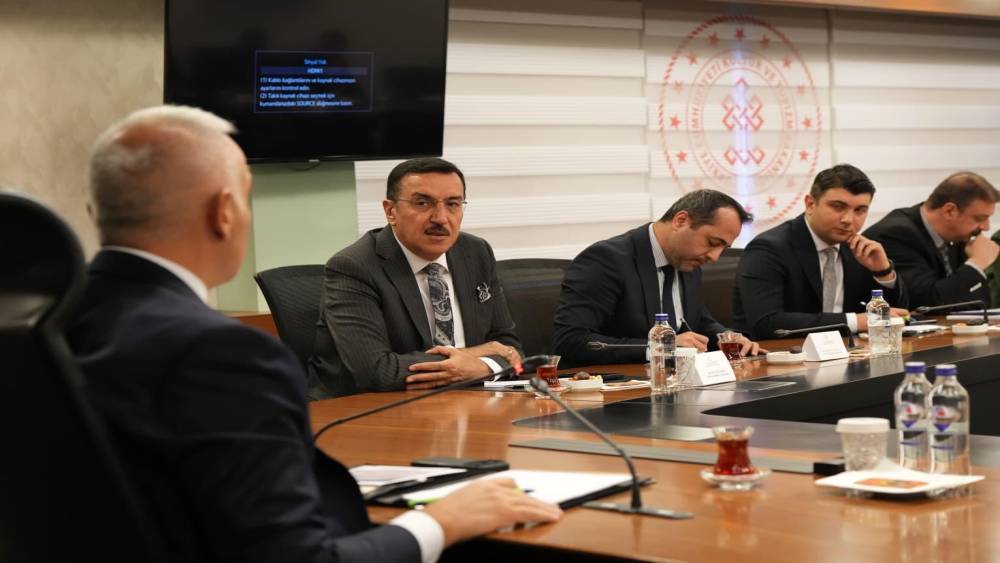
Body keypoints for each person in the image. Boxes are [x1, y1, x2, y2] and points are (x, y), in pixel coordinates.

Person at [67, 106, 561, 563]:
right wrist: (440, 522)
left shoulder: (61, 324)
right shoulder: (223, 355)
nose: (442, 216)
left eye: (454, 203)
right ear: (224, 212)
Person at [308, 158, 522, 398]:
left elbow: (511, 349)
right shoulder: (354, 267)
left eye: (453, 204)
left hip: (464, 401)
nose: (441, 218)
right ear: (391, 211)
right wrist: (474, 356)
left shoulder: (475, 252)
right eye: (423, 203)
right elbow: (377, 371)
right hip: (369, 409)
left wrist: (483, 367)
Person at [553, 189, 765, 367]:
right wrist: (661, 348)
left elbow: (696, 320)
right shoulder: (606, 260)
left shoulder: (687, 259)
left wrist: (728, 337)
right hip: (617, 389)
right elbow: (571, 341)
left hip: (677, 381)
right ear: (680, 221)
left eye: (723, 248)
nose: (715, 257)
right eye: (712, 242)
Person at [733, 164, 909, 340]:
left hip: (850, 350)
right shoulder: (769, 249)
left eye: (859, 210)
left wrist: (883, 272)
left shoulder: (858, 249)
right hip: (784, 352)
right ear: (810, 204)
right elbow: (767, 323)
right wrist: (856, 321)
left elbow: (899, 315)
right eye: (838, 207)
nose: (848, 220)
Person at [864, 172, 998, 308]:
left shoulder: (957, 237)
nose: (986, 227)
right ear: (949, 211)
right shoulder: (896, 235)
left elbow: (978, 302)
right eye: (979, 218)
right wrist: (975, 264)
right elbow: (925, 303)